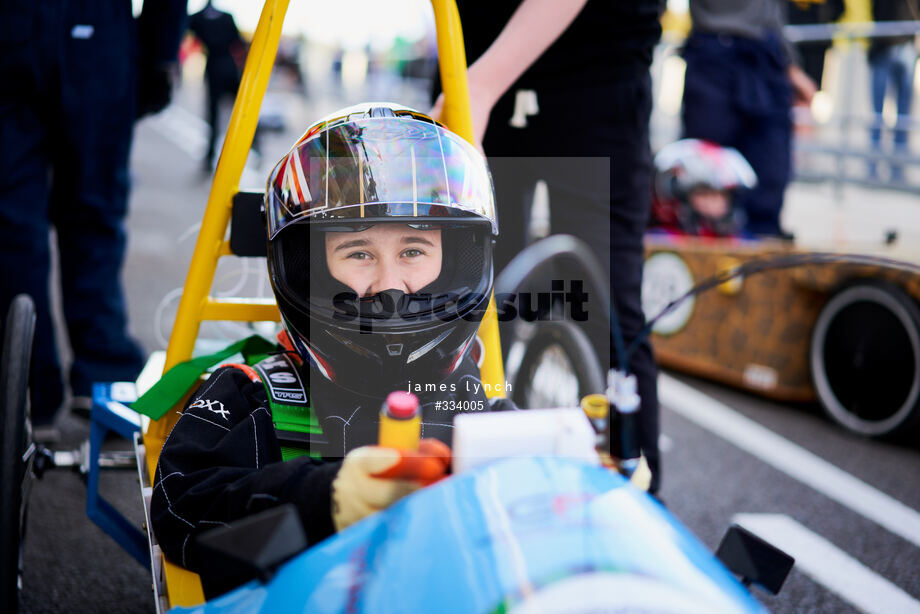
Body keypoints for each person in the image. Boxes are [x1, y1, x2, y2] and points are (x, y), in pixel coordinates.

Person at [150, 104, 509, 591]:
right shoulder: (256, 395)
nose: (391, 287)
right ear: (306, 264)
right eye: (358, 253)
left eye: (413, 250)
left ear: (455, 258)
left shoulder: (478, 408)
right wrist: (328, 497)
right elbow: (180, 511)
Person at [431, 0, 664, 493]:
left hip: (594, 72)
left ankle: (641, 507)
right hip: (473, 58)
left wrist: (479, 84)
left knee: (605, 308)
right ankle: (444, 487)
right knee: (458, 301)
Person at [0, 0, 186, 431]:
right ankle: (102, 373)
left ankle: (25, 386)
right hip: (96, 31)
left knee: (11, 222)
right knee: (93, 213)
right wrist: (159, 52)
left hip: (12, 31)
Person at [682, 0, 817, 238]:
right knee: (705, 169)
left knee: (771, 169)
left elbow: (771, 13)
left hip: (767, 53)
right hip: (714, 46)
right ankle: (701, 240)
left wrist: (791, 67)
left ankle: (760, 240)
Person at [650, 139, 758, 238]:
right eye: (703, 194)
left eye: (721, 194)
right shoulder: (662, 239)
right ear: (680, 196)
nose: (713, 202)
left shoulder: (741, 242)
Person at [188, 0, 246, 171]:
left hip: (215, 69)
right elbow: (239, 42)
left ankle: (210, 157)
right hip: (227, 68)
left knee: (215, 115)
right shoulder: (225, 18)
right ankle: (255, 147)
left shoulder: (197, 18)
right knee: (242, 111)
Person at [868, 0, 920, 182]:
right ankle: (874, 167)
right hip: (884, 46)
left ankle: (896, 168)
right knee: (877, 114)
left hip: (905, 47)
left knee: (903, 114)